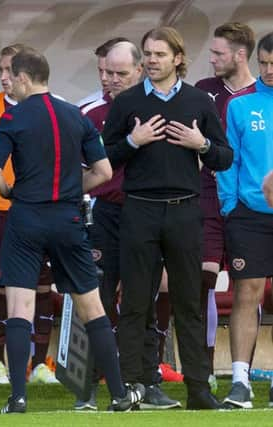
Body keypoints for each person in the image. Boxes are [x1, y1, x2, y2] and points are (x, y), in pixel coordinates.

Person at [0, 46, 144, 414]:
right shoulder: (76, 116)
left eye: (12, 77)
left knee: (20, 306)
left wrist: (12, 192)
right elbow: (103, 172)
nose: (9, 84)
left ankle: (18, 397)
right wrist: (73, 190)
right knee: (93, 306)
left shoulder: (13, 117)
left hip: (25, 218)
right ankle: (119, 395)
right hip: (69, 219)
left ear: (24, 78)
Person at [102, 26, 233, 410]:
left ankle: (198, 389)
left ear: (178, 58)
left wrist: (202, 144)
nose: (152, 60)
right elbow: (104, 158)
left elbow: (223, 158)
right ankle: (131, 387)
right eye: (147, 53)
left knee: (189, 302)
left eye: (159, 54)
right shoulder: (126, 103)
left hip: (184, 211)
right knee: (136, 302)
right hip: (139, 211)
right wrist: (132, 142)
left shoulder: (198, 102)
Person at [78, 41, 180, 411]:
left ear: (140, 70)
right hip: (103, 215)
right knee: (97, 299)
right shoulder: (87, 112)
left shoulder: (161, 106)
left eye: (119, 73)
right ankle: (87, 385)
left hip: (147, 214)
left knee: (145, 301)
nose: (110, 80)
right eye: (104, 72)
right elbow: (75, 169)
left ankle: (146, 382)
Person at [0, 44, 57, 385]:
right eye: (0, 70)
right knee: (3, 286)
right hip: (4, 209)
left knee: (43, 287)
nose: (4, 78)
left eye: (9, 71)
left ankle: (41, 364)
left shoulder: (51, 106)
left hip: (42, 210)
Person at [195, 22, 256, 391]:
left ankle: (242, 374)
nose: (212, 59)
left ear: (240, 54)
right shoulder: (204, 92)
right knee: (201, 280)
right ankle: (202, 370)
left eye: (219, 53)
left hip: (249, 205)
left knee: (249, 284)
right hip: (205, 197)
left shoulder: (262, 95)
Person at [217, 31, 273, 409]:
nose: (268, 71)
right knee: (246, 293)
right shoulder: (240, 105)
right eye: (264, 63)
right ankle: (240, 383)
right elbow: (227, 161)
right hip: (248, 215)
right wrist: (229, 207)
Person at [76, 37, 129, 107]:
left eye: (109, 71)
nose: (103, 78)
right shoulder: (83, 108)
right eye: (100, 70)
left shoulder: (146, 103)